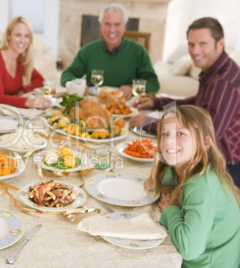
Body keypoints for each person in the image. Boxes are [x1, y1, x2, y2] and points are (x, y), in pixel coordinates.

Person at [129, 17, 240, 186]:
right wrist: (157, 103)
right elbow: (197, 104)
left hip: (225, 167)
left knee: (151, 178)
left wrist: (150, 124)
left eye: (203, 44)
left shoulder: (222, 82)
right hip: (215, 156)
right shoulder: (215, 70)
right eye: (191, 44)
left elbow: (206, 135)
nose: (195, 51)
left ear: (220, 43)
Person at [145, 105, 240, 268]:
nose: (169, 141)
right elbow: (167, 179)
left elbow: (190, 249)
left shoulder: (200, 185)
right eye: (165, 134)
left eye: (180, 133)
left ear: (205, 142)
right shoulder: (187, 166)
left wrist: (170, 210)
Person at [60, 3, 159, 99]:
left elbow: (153, 83)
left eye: (117, 24)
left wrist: (131, 88)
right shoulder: (88, 50)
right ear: (100, 26)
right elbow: (66, 75)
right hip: (94, 105)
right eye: (107, 24)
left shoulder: (138, 51)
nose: (112, 30)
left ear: (124, 26)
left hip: (126, 107)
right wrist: (77, 84)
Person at [0, 16, 52, 117]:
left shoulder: (20, 59)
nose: (22, 40)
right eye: (18, 35)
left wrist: (23, 91)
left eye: (26, 36)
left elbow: (40, 80)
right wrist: (28, 101)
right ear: (8, 35)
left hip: (9, 113)